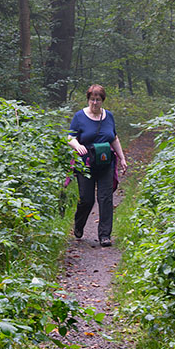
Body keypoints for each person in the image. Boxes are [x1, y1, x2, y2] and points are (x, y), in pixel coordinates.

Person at [67, 84, 127, 247]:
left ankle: (105, 235)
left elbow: (114, 138)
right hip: (85, 163)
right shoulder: (79, 116)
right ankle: (79, 226)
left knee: (105, 198)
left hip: (105, 162)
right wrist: (76, 145)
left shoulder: (109, 116)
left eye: (98, 100)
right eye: (92, 99)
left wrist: (122, 158)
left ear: (102, 101)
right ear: (88, 100)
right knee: (86, 199)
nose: (95, 103)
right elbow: (70, 137)